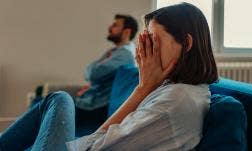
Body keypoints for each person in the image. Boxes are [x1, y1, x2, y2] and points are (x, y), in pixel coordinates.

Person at [0, 3, 218, 151]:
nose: (144, 51)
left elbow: (92, 147)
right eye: (145, 41)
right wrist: (145, 88)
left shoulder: (176, 100)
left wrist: (143, 88)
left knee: (58, 99)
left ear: (187, 44)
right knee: (56, 101)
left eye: (153, 40)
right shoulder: (176, 89)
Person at [31, 14, 138, 111]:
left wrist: (93, 74)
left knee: (41, 103)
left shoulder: (125, 55)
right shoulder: (115, 52)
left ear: (126, 32)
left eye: (115, 25)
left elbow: (92, 74)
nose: (109, 28)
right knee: (40, 99)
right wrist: (93, 75)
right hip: (89, 100)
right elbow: (90, 72)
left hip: (94, 106)